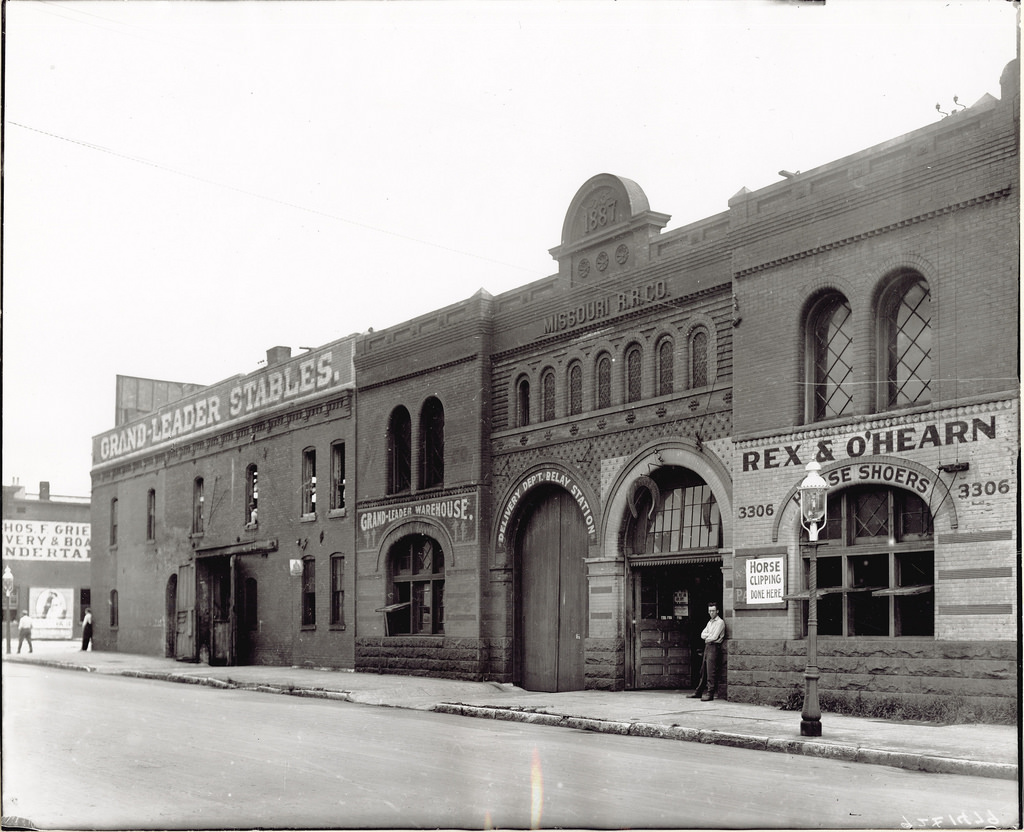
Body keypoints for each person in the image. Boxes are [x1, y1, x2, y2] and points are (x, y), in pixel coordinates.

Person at [690, 601, 725, 701]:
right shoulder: (709, 622)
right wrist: (709, 637)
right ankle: (699, 692)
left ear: (717, 611)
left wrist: (708, 637)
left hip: (714, 647)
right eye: (710, 611)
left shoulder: (720, 622)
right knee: (703, 670)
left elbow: (714, 637)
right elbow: (702, 634)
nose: (711, 613)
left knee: (711, 671)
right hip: (708, 647)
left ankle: (710, 693)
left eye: (713, 611)